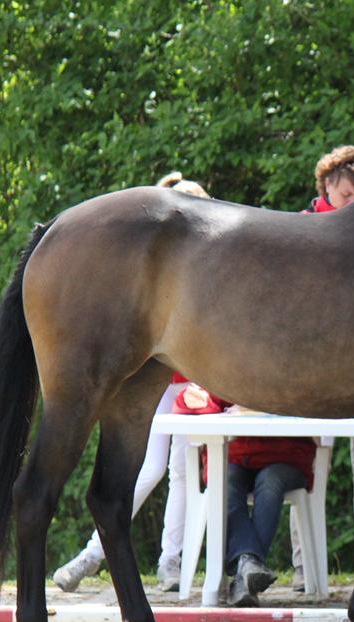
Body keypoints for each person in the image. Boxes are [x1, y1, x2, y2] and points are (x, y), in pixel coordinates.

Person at [52, 172, 210, 593]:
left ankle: (170, 561)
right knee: (150, 470)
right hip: (158, 384)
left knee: (182, 475)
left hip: (193, 389)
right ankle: (93, 553)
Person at [291, 145, 354, 592]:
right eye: (348, 195)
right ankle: (303, 567)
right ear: (327, 185)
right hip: (309, 364)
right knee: (306, 464)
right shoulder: (298, 228)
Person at [170, 383, 316, 607]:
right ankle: (248, 568)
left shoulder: (294, 373)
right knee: (224, 481)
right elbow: (191, 401)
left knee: (270, 481)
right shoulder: (231, 371)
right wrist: (204, 399)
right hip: (235, 457)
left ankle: (244, 569)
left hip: (286, 458)